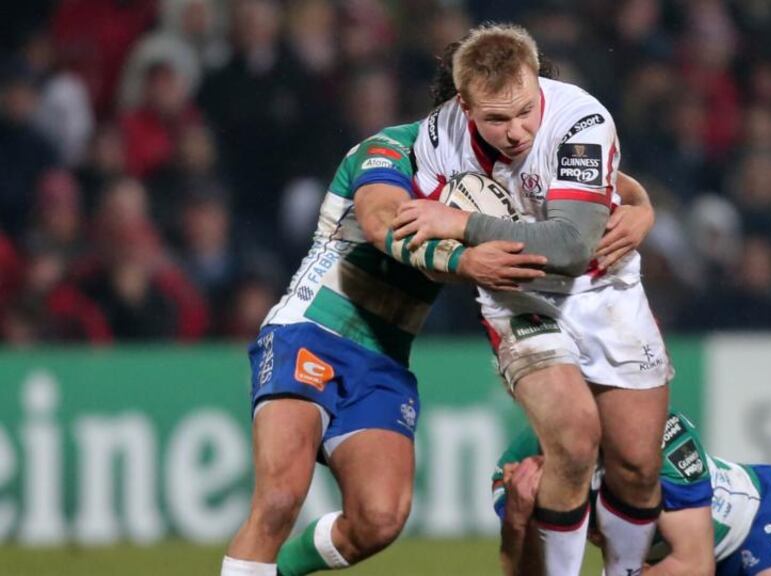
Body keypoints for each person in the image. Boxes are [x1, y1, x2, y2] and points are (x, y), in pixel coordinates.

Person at [222, 120, 655, 574]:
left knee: (378, 520)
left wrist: (643, 209)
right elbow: (381, 221)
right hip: (312, 330)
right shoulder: (393, 148)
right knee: (280, 498)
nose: (511, 127)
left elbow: (611, 179)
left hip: (385, 357)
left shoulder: (511, 163)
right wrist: (465, 260)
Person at [393, 23, 671, 575]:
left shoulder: (581, 121)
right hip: (518, 301)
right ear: (466, 105)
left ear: (537, 80)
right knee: (574, 437)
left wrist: (462, 224)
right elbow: (420, 242)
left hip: (604, 288)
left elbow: (570, 246)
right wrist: (458, 259)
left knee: (638, 466)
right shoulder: (437, 140)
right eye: (497, 119)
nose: (517, 130)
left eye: (525, 110)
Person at [494, 410, 771, 576]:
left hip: (756, 522)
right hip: (647, 561)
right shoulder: (515, 471)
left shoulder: (661, 433)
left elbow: (694, 564)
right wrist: (517, 521)